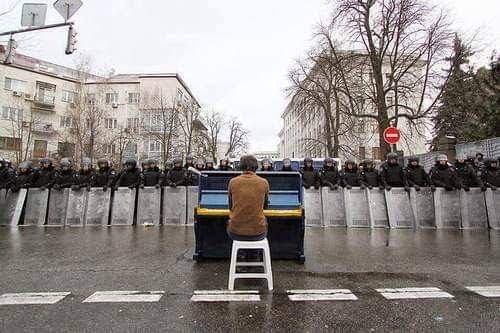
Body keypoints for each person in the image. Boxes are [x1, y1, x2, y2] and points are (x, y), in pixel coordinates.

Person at [227, 155, 269, 242]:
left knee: (229, 224)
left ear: (241, 166)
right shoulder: (264, 182)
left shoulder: (233, 182)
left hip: (236, 232)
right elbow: (265, 206)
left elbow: (230, 207)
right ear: (256, 166)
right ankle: (255, 253)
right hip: (259, 232)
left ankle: (241, 253)